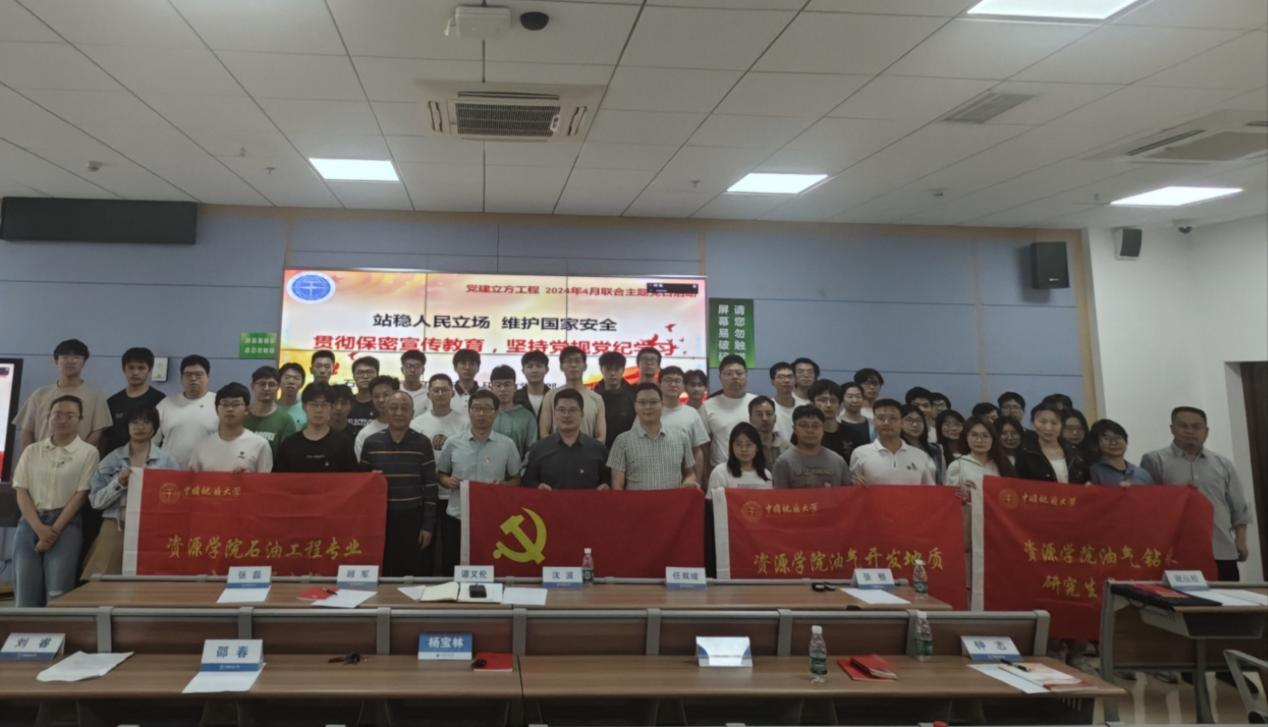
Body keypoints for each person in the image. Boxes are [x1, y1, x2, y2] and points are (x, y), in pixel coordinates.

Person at [1141, 407, 1252, 581]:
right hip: (1175, 553)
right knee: (1180, 599)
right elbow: (1148, 504)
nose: (1190, 431)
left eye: (1196, 426)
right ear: (1172, 429)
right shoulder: (1154, 460)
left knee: (1227, 598)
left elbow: (1238, 507)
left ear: (1206, 431)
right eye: (1183, 426)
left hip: (1220, 550)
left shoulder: (1223, 464)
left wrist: (1241, 540)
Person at [12, 395, 99, 607]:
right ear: (48, 418)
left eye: (70, 415)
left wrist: (52, 532)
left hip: (66, 524)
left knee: (58, 593)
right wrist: (38, 528)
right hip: (30, 522)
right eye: (57, 415)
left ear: (80, 419)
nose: (63, 420)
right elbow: (21, 490)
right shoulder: (32, 451)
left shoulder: (89, 453)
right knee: (25, 591)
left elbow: (81, 495)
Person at [84, 406, 177, 576]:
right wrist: (118, 483)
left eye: (146, 422)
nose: (140, 427)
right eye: (134, 422)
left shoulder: (167, 461)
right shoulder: (112, 459)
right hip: (116, 525)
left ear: (154, 427)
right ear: (127, 426)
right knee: (104, 578)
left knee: (151, 578)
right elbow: (96, 501)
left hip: (154, 528)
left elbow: (176, 501)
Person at [437, 391, 521, 574]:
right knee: (453, 568)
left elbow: (516, 479)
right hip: (457, 517)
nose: (481, 414)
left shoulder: (507, 444)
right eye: (476, 408)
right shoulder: (453, 442)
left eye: (487, 409)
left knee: (490, 569)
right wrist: (447, 481)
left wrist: (504, 487)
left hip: (492, 519)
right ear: (469, 411)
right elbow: (441, 474)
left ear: (496, 412)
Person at [360, 391, 437, 577]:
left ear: (412, 414)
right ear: (385, 411)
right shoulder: (371, 443)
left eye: (404, 408)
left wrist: (427, 526)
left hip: (413, 518)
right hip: (381, 519)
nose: (399, 413)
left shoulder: (423, 443)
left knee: (412, 572)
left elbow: (430, 487)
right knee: (384, 571)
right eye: (393, 408)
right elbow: (362, 486)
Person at [14, 338, 111, 450]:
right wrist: (30, 456)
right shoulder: (39, 394)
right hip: (41, 456)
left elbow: (97, 433)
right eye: (65, 357)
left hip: (78, 458)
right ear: (56, 361)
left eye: (76, 357)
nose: (70, 361)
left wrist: (80, 455)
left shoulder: (96, 395)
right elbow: (27, 431)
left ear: (84, 362)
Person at [609, 383, 698, 491]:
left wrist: (689, 481)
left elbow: (690, 473)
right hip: (637, 502)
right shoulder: (622, 441)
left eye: (653, 402)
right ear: (635, 406)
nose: (648, 407)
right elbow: (617, 486)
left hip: (673, 501)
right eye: (642, 402)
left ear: (662, 404)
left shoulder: (681, 438)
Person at [521, 388, 609, 490]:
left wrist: (605, 486)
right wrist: (538, 486)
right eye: (561, 410)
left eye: (572, 410)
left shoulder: (598, 449)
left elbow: (608, 482)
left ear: (582, 414)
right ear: (554, 414)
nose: (566, 415)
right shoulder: (539, 449)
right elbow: (527, 482)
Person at [274, 383, 359, 473]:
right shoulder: (289, 444)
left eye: (324, 405)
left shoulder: (343, 443)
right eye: (314, 404)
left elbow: (353, 478)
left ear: (331, 407)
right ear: (304, 407)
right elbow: (278, 479)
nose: (319, 410)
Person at [188, 383, 272, 473]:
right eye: (225, 404)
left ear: (246, 410)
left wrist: (249, 478)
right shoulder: (202, 446)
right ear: (216, 410)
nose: (230, 409)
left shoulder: (260, 445)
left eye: (236, 404)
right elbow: (192, 479)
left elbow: (266, 480)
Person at [849, 398, 934, 486]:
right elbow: (852, 488)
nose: (886, 423)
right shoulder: (860, 453)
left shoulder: (920, 455)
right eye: (881, 418)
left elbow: (930, 490)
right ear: (874, 421)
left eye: (893, 418)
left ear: (901, 422)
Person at [154, 355, 218, 467]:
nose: (193, 379)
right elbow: (153, 442)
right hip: (169, 469)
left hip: (208, 470)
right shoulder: (165, 404)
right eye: (188, 375)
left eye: (198, 374)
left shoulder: (219, 403)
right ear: (181, 378)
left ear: (208, 377)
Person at [103, 347, 166, 453]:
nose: (135, 372)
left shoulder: (160, 400)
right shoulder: (113, 401)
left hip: (148, 458)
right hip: (115, 459)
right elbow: (105, 437)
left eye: (141, 368)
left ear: (149, 370)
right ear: (124, 369)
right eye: (131, 368)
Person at [538, 347, 606, 441]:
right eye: (569, 361)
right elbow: (544, 432)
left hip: (588, 449)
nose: (573, 365)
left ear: (585, 366)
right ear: (561, 366)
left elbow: (601, 436)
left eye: (577, 361)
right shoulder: (550, 396)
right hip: (555, 449)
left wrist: (590, 449)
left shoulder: (597, 399)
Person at [701, 355, 758, 467]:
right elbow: (704, 445)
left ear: (746, 375)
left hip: (754, 468)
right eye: (729, 374)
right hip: (720, 468)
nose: (734, 377)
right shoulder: (707, 406)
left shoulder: (757, 403)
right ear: (720, 377)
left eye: (739, 373)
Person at [773, 406, 848, 488]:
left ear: (823, 429)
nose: (810, 430)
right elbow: (779, 495)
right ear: (794, 429)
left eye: (815, 426)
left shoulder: (838, 461)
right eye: (803, 425)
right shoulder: (784, 462)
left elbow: (848, 493)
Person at [658, 366, 709, 483]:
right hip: (656, 476)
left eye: (677, 381)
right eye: (668, 380)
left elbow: (697, 451)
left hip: (686, 479)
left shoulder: (692, 413)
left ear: (683, 386)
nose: (673, 384)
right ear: (659, 384)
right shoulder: (649, 412)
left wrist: (698, 481)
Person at [1015, 403, 1088, 484]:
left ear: (1061, 425)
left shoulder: (1075, 453)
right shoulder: (1025, 454)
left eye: (1054, 423)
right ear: (1033, 424)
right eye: (1043, 422)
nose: (1048, 428)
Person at [945, 416, 1017, 496]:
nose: (979, 440)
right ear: (966, 437)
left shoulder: (1002, 463)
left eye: (985, 436)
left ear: (993, 439)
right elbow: (948, 497)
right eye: (974, 435)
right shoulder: (957, 466)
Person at [243, 366, 297, 458]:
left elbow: (289, 456)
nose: (266, 388)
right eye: (262, 384)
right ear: (252, 386)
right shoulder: (242, 415)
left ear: (278, 387)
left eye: (271, 384)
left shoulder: (285, 420)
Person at [410, 374, 470, 453]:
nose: (440, 394)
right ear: (428, 395)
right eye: (436, 390)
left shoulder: (465, 423)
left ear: (453, 394)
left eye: (444, 390)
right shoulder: (416, 424)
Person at [489, 365, 537, 458]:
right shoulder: (485, 414)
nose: (502, 389)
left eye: (507, 384)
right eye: (498, 385)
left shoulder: (527, 417)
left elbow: (532, 448)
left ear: (515, 387)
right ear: (491, 388)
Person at [1087, 419, 1153, 486]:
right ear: (1096, 444)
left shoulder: (1142, 474)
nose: (1114, 442)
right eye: (1106, 439)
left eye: (1118, 437)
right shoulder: (1093, 472)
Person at [708, 422, 771, 491]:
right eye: (738, 444)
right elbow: (713, 498)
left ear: (757, 447)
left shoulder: (766, 474)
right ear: (731, 447)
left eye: (749, 445)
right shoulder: (720, 472)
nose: (744, 449)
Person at [352, 375, 401, 459]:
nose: (381, 400)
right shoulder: (365, 435)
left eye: (386, 395)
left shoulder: (414, 429)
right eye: (376, 396)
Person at [594, 351, 636, 447]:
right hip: (599, 448)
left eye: (617, 369)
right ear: (601, 369)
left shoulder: (633, 395)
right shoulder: (594, 396)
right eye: (608, 369)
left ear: (623, 370)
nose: (612, 373)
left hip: (627, 448)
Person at [809, 379, 854, 464]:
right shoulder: (804, 434)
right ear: (812, 404)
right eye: (823, 400)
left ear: (840, 405)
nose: (828, 405)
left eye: (833, 401)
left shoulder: (853, 434)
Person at [900, 403, 943, 484]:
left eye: (919, 420)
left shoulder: (935, 449)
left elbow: (941, 479)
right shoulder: (897, 449)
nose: (915, 424)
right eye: (909, 420)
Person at [748, 396, 790, 466]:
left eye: (769, 414)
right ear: (750, 419)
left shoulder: (786, 446)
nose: (765, 418)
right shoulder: (745, 447)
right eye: (759, 414)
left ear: (775, 418)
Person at [347, 356, 380, 432]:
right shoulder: (346, 403)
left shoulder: (382, 404)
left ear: (377, 375)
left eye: (370, 372)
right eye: (360, 373)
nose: (365, 376)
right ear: (353, 376)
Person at [512, 350, 551, 417]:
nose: (534, 370)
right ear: (523, 370)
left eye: (539, 366)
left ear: (547, 369)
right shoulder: (514, 398)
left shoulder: (554, 396)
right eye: (530, 366)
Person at [837, 382, 873, 450]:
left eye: (858, 396)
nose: (855, 400)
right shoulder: (836, 423)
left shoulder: (873, 425)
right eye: (850, 396)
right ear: (842, 399)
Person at [768, 362, 797, 441]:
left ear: (795, 380)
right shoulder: (768, 409)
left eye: (790, 376)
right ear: (772, 381)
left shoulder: (803, 407)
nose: (787, 380)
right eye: (781, 377)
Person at [400, 350, 430, 415]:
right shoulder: (395, 391)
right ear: (402, 369)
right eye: (408, 366)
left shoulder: (429, 393)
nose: (412, 370)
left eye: (417, 366)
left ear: (423, 370)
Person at [277, 362, 307, 429]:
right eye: (287, 377)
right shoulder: (270, 407)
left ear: (302, 384)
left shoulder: (306, 410)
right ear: (279, 381)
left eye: (296, 378)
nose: (291, 381)